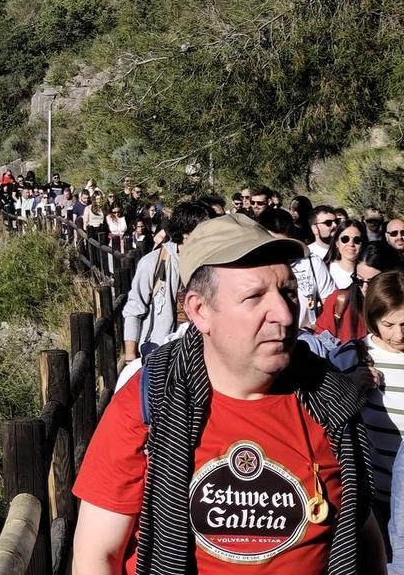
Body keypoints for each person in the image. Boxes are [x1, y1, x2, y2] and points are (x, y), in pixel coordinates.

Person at [74, 212, 385, 574]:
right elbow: (97, 555)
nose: (284, 314)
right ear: (200, 311)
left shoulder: (331, 401)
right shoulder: (148, 403)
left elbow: (363, 535)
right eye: (254, 297)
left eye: (287, 292)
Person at [121, 201, 212, 361]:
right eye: (203, 231)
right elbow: (134, 310)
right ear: (185, 232)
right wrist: (130, 356)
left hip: (199, 355)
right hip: (158, 354)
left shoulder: (210, 264)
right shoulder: (152, 263)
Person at [360, 271, 404, 556]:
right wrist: (352, 386)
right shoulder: (354, 356)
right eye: (388, 324)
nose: (399, 334)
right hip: (372, 493)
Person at [260, 208, 336, 329]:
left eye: (283, 244)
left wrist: (317, 329)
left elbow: (331, 304)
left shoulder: (312, 263)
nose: (277, 250)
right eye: (271, 244)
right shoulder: (252, 268)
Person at [317, 241, 401, 344]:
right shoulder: (339, 301)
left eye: (372, 282)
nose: (364, 287)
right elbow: (321, 339)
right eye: (359, 280)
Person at [327, 220, 368, 290]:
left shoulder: (368, 273)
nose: (351, 244)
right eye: (345, 239)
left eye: (357, 240)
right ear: (337, 243)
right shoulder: (326, 270)